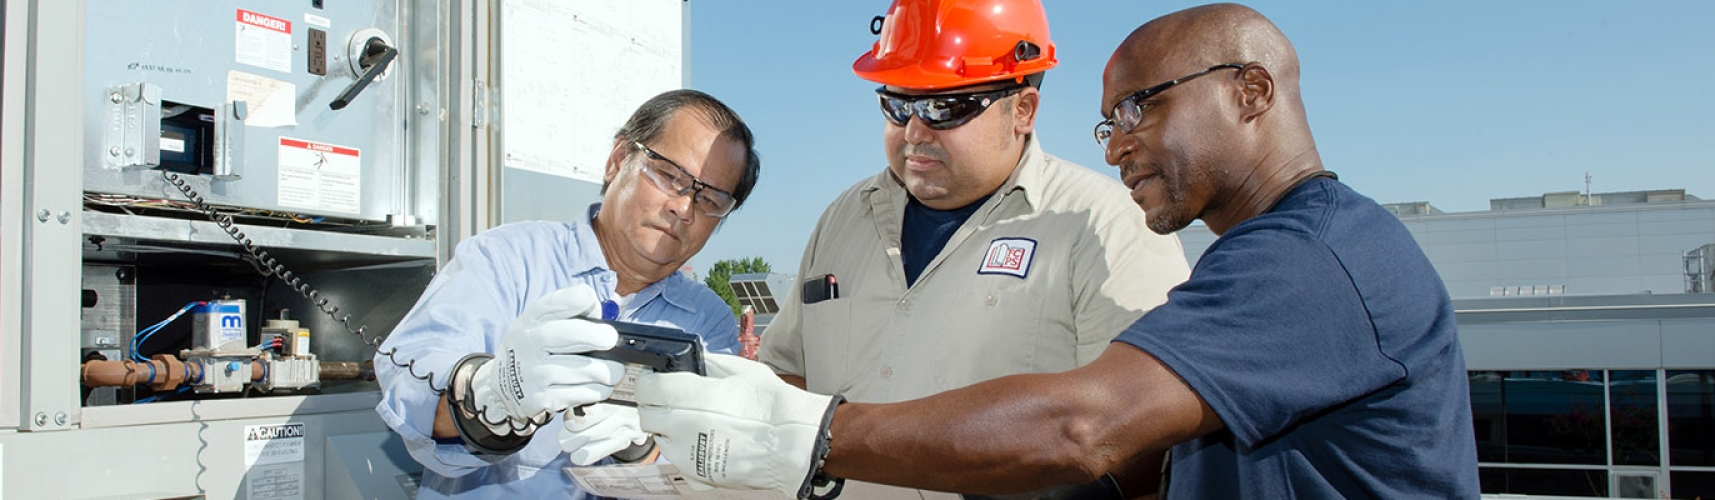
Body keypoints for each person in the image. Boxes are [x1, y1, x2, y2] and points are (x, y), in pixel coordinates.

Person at [634, 4, 1479, 499]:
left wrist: (805, 435)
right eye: (898, 104)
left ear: (1250, 90)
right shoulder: (1259, 256)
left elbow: (1091, 428)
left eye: (1140, 110)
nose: (1118, 145)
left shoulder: (1311, 261)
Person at [752, 0, 1189, 496]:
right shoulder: (844, 218)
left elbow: (1140, 441)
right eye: (898, 105)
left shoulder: (1105, 227)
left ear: (1022, 110)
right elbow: (784, 372)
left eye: (944, 108)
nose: (914, 133)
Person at [373, 89, 759, 499]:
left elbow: (717, 463)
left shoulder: (708, 324)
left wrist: (645, 451)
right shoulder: (507, 259)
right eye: (670, 176)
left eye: (710, 198)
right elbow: (409, 379)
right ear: (617, 161)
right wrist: (488, 393)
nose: (683, 208)